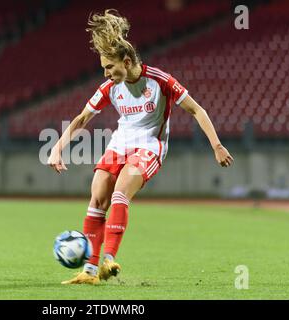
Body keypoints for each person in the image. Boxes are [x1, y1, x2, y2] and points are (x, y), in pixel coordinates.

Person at [47, 9, 234, 285]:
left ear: (126, 60)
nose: (106, 74)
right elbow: (82, 118)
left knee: (121, 193)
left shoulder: (160, 81)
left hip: (150, 145)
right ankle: (89, 272)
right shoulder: (110, 88)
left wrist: (216, 145)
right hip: (120, 142)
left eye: (109, 68)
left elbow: (196, 110)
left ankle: (108, 259)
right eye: (103, 69)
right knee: (97, 198)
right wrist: (57, 147)